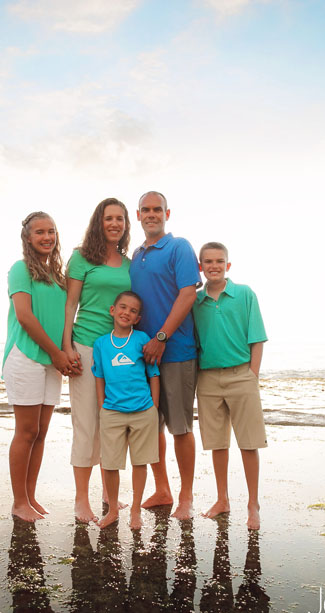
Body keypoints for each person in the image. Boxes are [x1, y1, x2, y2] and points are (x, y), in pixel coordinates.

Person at [129, 191, 201, 520]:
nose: (151, 214)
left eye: (157, 209)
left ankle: (186, 496)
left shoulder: (179, 247)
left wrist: (161, 337)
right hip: (144, 355)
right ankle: (162, 489)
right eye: (145, 210)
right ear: (138, 215)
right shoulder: (136, 254)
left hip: (176, 352)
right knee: (151, 425)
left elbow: (187, 295)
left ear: (167, 214)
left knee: (180, 427)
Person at [3, 212, 78, 522]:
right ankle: (19, 502)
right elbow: (24, 316)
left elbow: (64, 317)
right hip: (26, 357)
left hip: (51, 361)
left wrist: (65, 352)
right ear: (28, 238)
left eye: (51, 231)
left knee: (41, 432)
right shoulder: (20, 269)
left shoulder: (57, 276)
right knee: (26, 431)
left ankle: (30, 497)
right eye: (40, 232)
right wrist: (56, 353)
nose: (47, 237)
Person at [62, 198, 132, 523]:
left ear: (125, 224)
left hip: (118, 351)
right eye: (109, 218)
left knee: (112, 425)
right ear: (98, 222)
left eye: (120, 218)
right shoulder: (81, 258)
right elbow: (70, 304)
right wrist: (67, 347)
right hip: (86, 347)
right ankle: (80, 499)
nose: (114, 223)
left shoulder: (129, 264)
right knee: (86, 424)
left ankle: (109, 494)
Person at [192, 242, 267, 530]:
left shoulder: (245, 294)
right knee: (217, 443)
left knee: (249, 443)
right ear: (201, 267)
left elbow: (256, 338)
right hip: (208, 379)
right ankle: (222, 499)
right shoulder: (195, 301)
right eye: (208, 262)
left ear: (228, 265)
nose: (214, 266)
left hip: (241, 376)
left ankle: (253, 503)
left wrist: (252, 375)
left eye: (219, 261)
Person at [92, 291, 160, 529]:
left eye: (133, 311)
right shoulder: (101, 344)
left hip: (143, 410)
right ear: (112, 310)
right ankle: (112, 510)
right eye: (122, 307)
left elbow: (153, 374)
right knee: (110, 463)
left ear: (138, 318)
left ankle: (135, 510)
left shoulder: (142, 339)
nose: (126, 313)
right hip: (112, 411)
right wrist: (102, 406)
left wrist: (154, 406)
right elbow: (99, 376)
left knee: (140, 462)